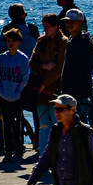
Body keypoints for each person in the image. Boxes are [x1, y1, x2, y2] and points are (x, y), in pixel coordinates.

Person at [29, 13, 68, 158]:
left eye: (47, 27)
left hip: (55, 91)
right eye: (43, 27)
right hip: (40, 91)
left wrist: (44, 84)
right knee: (43, 126)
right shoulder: (41, 41)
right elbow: (32, 64)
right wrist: (45, 66)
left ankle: (57, 156)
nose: (45, 30)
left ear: (56, 27)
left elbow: (59, 70)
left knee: (56, 124)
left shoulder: (63, 42)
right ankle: (43, 156)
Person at [0, 28, 31, 162]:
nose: (10, 44)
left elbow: (25, 77)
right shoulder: (1, 58)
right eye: (8, 41)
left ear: (19, 42)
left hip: (17, 96)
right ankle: (7, 151)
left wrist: (18, 92)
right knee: (6, 123)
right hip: (3, 96)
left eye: (13, 41)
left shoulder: (23, 59)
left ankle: (19, 147)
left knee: (18, 123)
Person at [59, 8, 93, 121]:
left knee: (78, 127)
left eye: (72, 21)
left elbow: (83, 70)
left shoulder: (83, 43)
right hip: (74, 92)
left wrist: (70, 90)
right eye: (67, 21)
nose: (69, 24)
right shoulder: (73, 40)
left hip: (77, 94)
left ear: (81, 22)